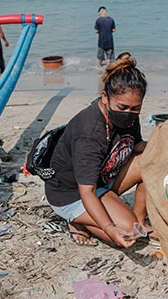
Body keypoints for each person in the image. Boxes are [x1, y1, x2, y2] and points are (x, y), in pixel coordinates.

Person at [44, 54, 148, 248]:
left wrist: (163, 146)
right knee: (126, 233)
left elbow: (135, 145)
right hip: (71, 193)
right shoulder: (89, 133)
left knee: (151, 161)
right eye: (122, 107)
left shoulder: (129, 116)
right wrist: (109, 228)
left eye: (136, 108)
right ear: (105, 98)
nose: (129, 113)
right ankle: (77, 220)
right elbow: (87, 191)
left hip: (102, 179)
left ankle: (140, 221)